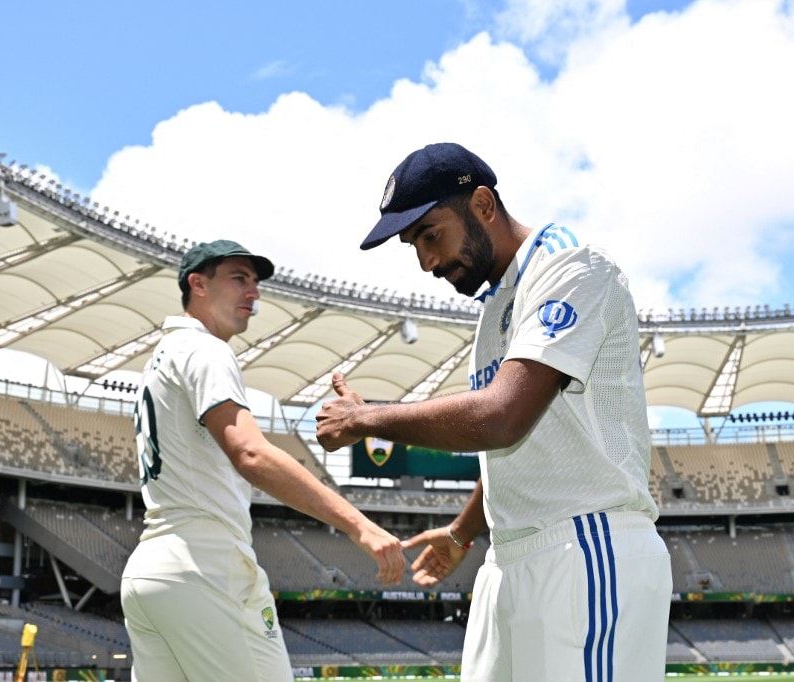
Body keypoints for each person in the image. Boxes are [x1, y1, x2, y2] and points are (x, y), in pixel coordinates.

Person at [315, 142, 672, 681]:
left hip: (585, 547)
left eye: (431, 235)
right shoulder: (497, 304)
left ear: (482, 205)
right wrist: (462, 532)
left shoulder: (572, 267)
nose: (426, 261)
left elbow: (502, 417)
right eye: (414, 246)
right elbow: (517, 447)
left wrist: (366, 419)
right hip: (509, 558)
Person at [120, 239, 405, 682]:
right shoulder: (205, 349)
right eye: (239, 278)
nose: (253, 292)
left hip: (150, 571)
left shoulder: (161, 357)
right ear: (197, 283)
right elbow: (250, 452)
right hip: (205, 564)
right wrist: (360, 525)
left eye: (255, 282)